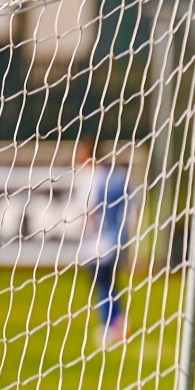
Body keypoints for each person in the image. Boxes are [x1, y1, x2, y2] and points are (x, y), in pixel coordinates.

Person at [78, 140, 129, 346]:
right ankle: (119, 322)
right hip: (115, 240)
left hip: (97, 244)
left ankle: (110, 326)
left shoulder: (89, 178)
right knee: (109, 285)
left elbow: (88, 211)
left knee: (102, 286)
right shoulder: (115, 176)